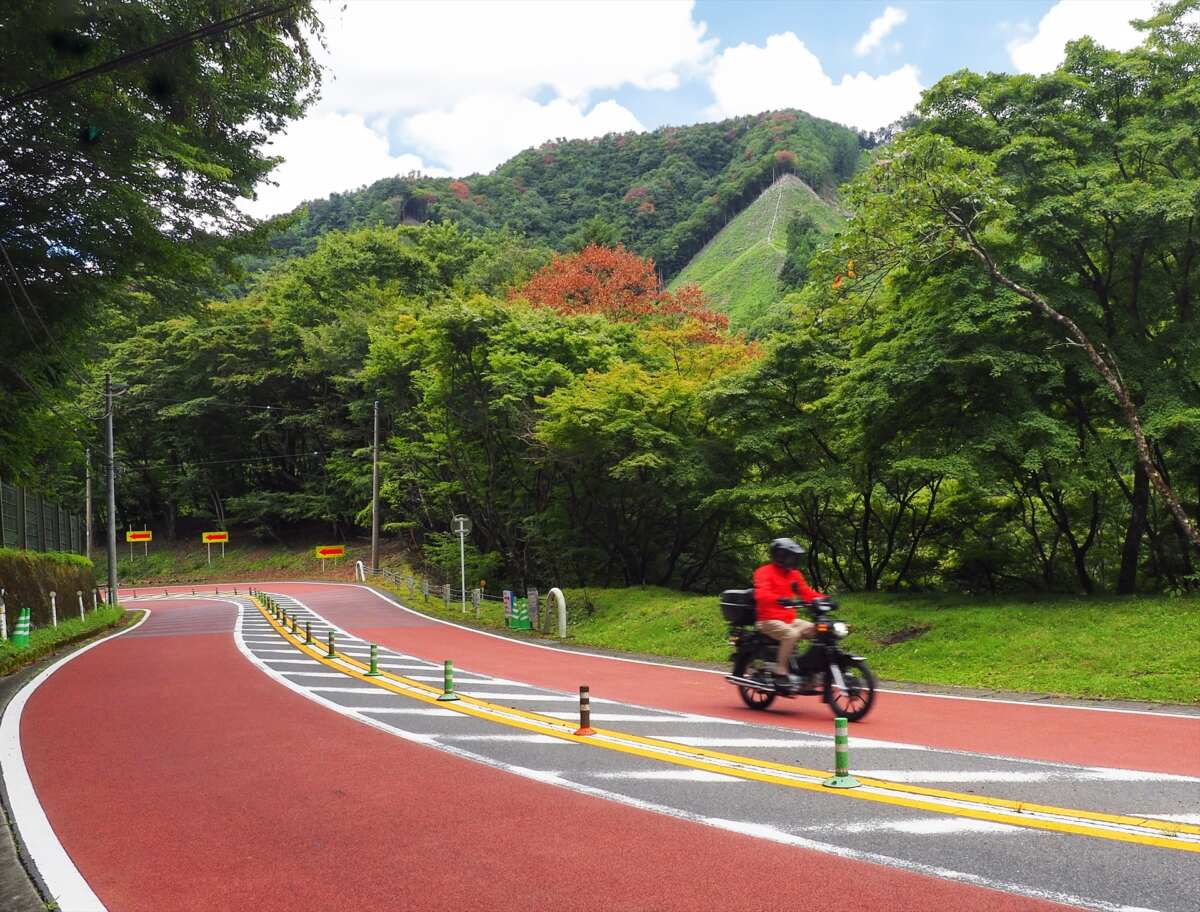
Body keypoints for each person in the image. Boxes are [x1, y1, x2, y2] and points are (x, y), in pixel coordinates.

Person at [753, 537, 823, 687]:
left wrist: (824, 600)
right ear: (780, 556)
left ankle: (808, 670)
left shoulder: (794, 575)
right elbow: (761, 594)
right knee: (791, 634)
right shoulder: (764, 572)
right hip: (767, 620)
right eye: (791, 556)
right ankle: (781, 669)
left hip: (788, 620)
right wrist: (779, 599)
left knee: (817, 631)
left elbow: (806, 592)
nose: (794, 560)